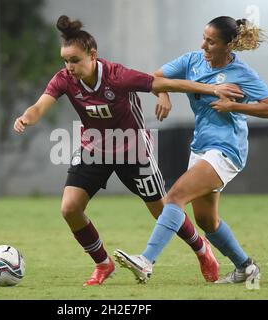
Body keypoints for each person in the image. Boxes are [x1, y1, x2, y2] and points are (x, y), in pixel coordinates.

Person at [14, 15, 243, 286]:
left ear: (93, 55)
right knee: (70, 208)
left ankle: (202, 250)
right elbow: (40, 106)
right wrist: (26, 118)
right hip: (94, 150)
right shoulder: (65, 79)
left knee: (163, 210)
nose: (69, 67)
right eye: (65, 61)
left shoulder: (117, 76)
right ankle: (103, 264)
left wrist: (211, 88)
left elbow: (167, 83)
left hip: (134, 150)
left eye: (75, 60)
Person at [114, 16, 268, 284]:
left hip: (227, 149)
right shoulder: (192, 60)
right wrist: (164, 95)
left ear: (228, 46)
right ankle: (246, 268)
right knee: (206, 221)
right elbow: (156, 77)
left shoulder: (243, 74)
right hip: (201, 147)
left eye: (211, 41)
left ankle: (146, 261)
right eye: (204, 38)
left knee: (175, 196)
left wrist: (234, 106)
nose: (204, 45)